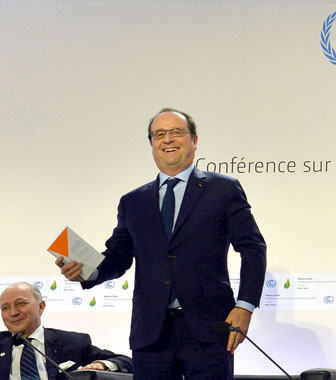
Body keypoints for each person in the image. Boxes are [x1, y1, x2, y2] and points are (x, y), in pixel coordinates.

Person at [56, 108, 267, 379]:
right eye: (159, 134)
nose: (167, 139)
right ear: (152, 144)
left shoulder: (223, 189)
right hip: (151, 334)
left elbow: (253, 248)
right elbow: (118, 257)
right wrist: (87, 271)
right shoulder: (133, 201)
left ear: (194, 140)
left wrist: (244, 306)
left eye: (176, 132)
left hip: (208, 330)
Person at [1, 282, 132, 379]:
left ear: (41, 307)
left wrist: (101, 364)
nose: (13, 312)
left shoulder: (73, 343)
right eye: (5, 308)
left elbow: (127, 362)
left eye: (21, 303)